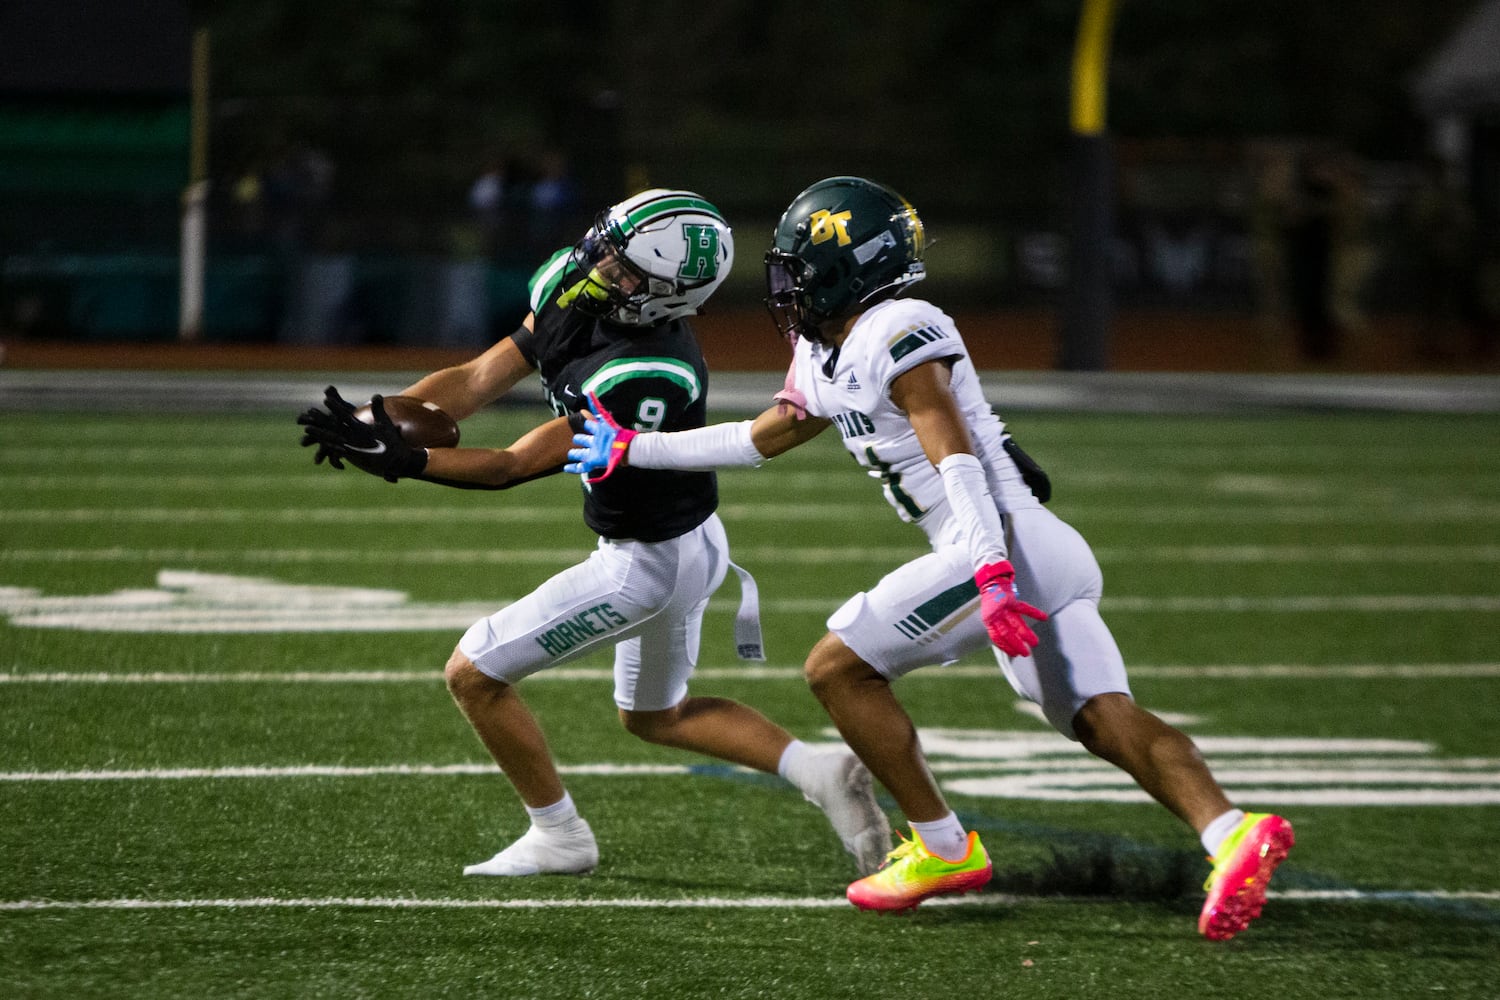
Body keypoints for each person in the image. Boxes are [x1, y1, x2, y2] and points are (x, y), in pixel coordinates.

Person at [567, 176, 1294, 939]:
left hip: (998, 540)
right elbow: (760, 438)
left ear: (852, 264)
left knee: (836, 668)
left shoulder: (898, 325)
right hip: (1029, 546)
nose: (788, 284)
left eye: (802, 267)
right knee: (1103, 718)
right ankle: (1231, 834)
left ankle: (944, 847)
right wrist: (635, 447)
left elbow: (956, 457)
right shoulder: (827, 351)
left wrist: (990, 570)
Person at [297, 187, 891, 879]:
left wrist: (410, 461)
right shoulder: (572, 284)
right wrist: (377, 419)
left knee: (474, 674)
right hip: (692, 540)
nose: (603, 267)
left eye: (626, 267)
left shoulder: (651, 373)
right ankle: (822, 771)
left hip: (646, 564)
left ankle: (559, 835)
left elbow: (512, 465)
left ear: (665, 295)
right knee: (654, 716)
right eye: (607, 248)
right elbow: (478, 376)